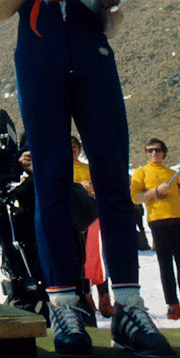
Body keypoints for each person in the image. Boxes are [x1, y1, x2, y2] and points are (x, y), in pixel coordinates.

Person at [0, 0, 173, 357]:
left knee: (111, 178)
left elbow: (112, 21)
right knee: (49, 184)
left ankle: (128, 306)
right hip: (39, 68)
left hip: (93, 62)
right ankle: (63, 306)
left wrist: (110, 3)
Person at [131, 139, 180, 320]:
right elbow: (136, 197)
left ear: (164, 152)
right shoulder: (141, 172)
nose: (153, 154)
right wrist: (155, 192)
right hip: (158, 222)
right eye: (149, 150)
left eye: (157, 150)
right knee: (165, 264)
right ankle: (172, 304)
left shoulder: (174, 174)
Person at [71, 135, 114, 320]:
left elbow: (101, 189)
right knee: (79, 256)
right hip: (72, 217)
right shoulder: (61, 168)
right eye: (69, 146)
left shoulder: (88, 169)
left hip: (91, 216)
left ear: (80, 149)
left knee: (96, 257)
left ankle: (104, 297)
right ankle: (85, 296)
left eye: (75, 146)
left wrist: (89, 189)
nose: (72, 149)